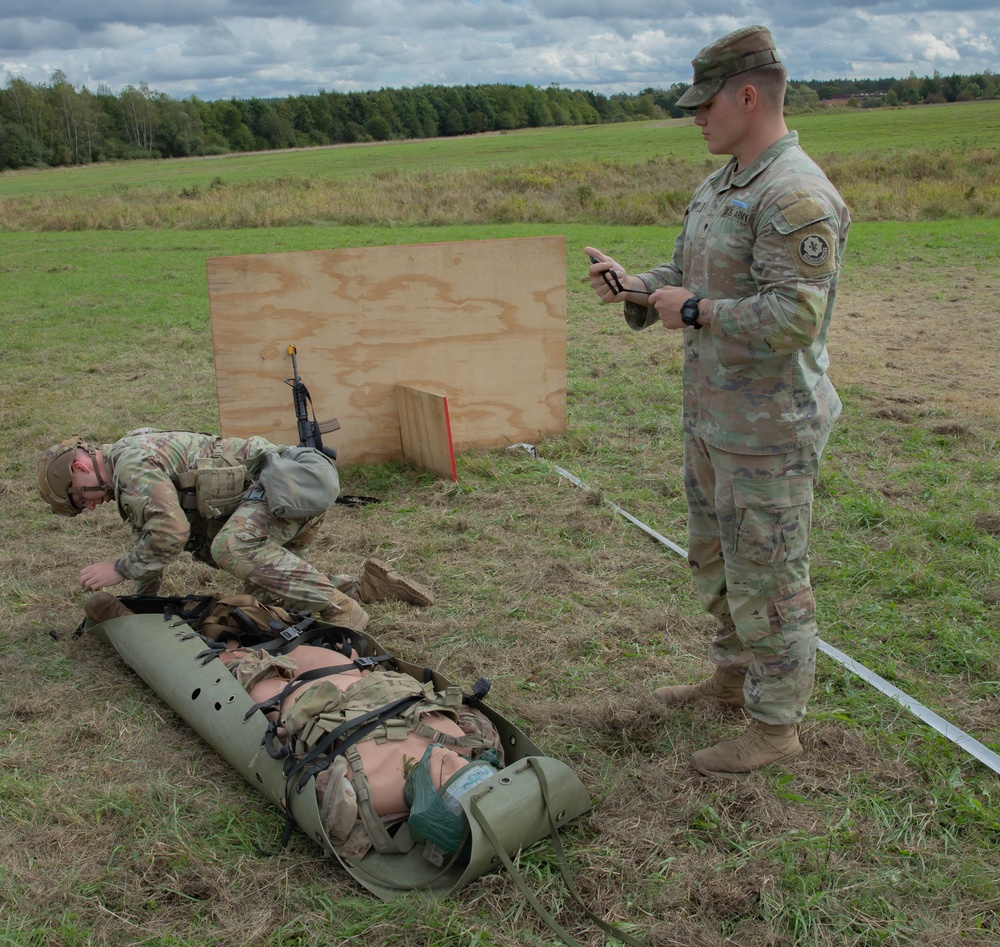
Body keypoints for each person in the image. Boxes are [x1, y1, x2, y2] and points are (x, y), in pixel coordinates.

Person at [586, 25, 850, 778]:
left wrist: (693, 309)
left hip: (768, 429)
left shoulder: (793, 193)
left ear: (747, 95)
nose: (695, 117)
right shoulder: (722, 186)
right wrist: (638, 287)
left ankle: (774, 728)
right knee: (718, 557)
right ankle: (733, 680)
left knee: (770, 574)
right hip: (713, 419)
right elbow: (684, 272)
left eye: (705, 104)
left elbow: (795, 317)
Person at [39, 428, 434, 629]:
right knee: (267, 596)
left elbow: (170, 533)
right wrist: (142, 605)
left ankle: (341, 608)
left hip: (288, 488)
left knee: (229, 548)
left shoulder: (131, 467)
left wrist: (120, 568)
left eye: (80, 498)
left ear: (78, 469)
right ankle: (365, 586)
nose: (90, 505)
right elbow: (150, 536)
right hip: (287, 493)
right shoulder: (129, 456)